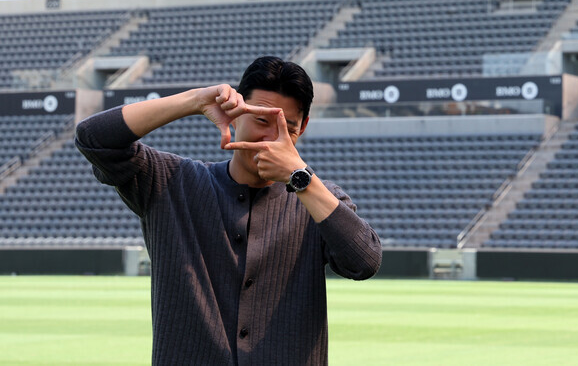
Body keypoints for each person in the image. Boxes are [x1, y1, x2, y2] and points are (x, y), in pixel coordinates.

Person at [75, 56, 381, 365]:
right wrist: (194, 101)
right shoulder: (173, 182)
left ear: (303, 127)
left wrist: (301, 178)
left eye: (287, 129)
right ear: (233, 115)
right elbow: (94, 138)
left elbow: (364, 261)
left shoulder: (317, 198)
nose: (270, 139)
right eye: (261, 120)